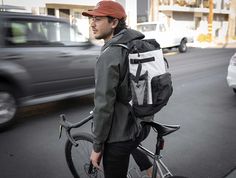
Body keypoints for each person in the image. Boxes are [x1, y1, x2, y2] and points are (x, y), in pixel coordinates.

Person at [82, 1, 154, 178]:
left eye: (98, 19)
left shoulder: (111, 55)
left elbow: (103, 105)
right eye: (92, 19)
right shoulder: (135, 43)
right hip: (143, 124)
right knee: (132, 146)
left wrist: (97, 147)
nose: (92, 23)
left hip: (121, 135)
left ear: (114, 23)